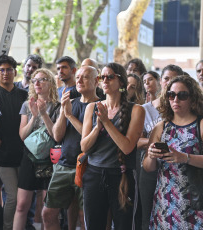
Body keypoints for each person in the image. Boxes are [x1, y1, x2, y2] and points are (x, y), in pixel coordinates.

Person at [80, 63, 145, 230]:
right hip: (94, 174)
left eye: (110, 76)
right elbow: (84, 146)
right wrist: (97, 128)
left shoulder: (136, 110)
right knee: (94, 225)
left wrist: (107, 122)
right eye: (102, 77)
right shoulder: (92, 107)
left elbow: (127, 147)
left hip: (122, 176)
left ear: (121, 81)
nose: (105, 80)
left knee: (125, 225)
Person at [42, 66, 100, 230]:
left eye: (85, 77)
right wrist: (63, 111)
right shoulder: (71, 103)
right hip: (64, 165)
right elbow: (57, 136)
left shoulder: (100, 105)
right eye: (78, 77)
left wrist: (69, 116)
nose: (80, 80)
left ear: (96, 81)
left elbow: (88, 137)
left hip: (89, 166)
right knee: (48, 213)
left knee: (84, 217)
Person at [143, 75, 203, 229]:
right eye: (171, 95)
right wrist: (151, 155)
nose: (175, 100)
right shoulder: (161, 127)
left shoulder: (200, 124)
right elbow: (148, 167)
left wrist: (185, 158)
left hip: (196, 202)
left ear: (192, 98)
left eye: (182, 95)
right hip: (166, 202)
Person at [13, 68, 60, 230]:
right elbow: (22, 136)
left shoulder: (58, 106)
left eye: (42, 79)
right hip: (30, 157)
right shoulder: (27, 104)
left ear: (51, 83)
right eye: (35, 80)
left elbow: (57, 136)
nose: (37, 83)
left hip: (51, 157)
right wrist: (34, 116)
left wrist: (43, 114)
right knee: (21, 205)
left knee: (49, 210)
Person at [137, 65, 183, 230]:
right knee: (147, 213)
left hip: (178, 170)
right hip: (151, 166)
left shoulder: (184, 108)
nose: (170, 83)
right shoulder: (144, 110)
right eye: (166, 79)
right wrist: (153, 144)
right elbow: (134, 141)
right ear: (160, 81)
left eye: (175, 79)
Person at [0, 55, 28, 230]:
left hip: (23, 153)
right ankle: (6, 227)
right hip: (2, 153)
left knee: (23, 196)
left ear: (15, 72)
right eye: (2, 70)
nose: (6, 73)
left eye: (9, 69)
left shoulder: (23, 94)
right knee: (12, 196)